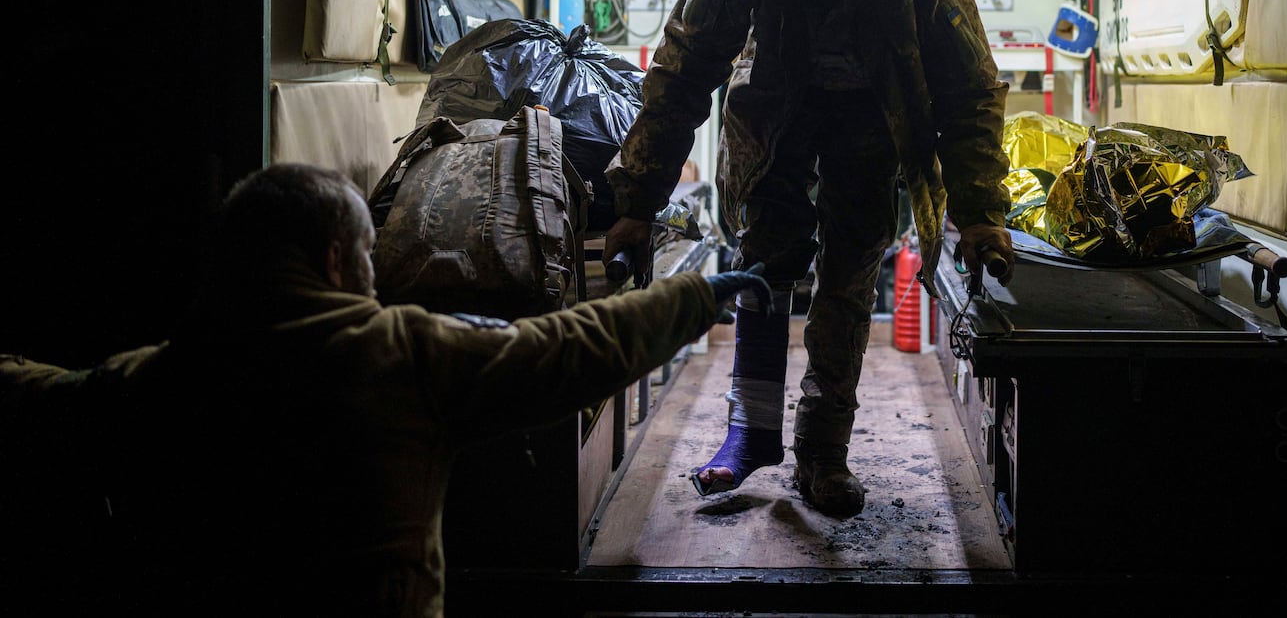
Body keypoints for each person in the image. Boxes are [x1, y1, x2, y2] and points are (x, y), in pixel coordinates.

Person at [0, 162, 770, 618]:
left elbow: (43, 393)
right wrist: (698, 295)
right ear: (336, 259)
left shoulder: (151, 379)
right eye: (370, 252)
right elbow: (573, 348)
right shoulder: (401, 356)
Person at [604, 0, 1016, 519]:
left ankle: (823, 451)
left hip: (872, 114)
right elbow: (682, 70)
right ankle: (750, 431)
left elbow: (970, 86)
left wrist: (980, 211)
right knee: (765, 262)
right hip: (776, 108)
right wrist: (637, 198)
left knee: (851, 274)